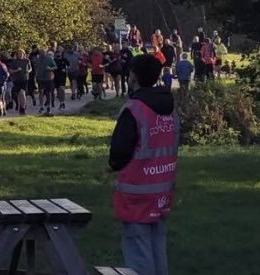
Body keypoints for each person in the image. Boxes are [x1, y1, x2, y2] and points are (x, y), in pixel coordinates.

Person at [108, 54, 178, 275]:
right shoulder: (170, 108)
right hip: (162, 189)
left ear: (134, 76)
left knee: (138, 252)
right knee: (158, 247)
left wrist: (114, 165)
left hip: (136, 190)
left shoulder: (134, 109)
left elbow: (118, 153)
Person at [9, 49, 32, 115]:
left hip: (24, 79)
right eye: (19, 53)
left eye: (21, 53)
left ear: (24, 54)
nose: (20, 55)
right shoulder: (14, 61)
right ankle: (21, 106)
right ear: (17, 54)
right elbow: (10, 71)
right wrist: (16, 70)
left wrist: (28, 71)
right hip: (16, 79)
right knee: (19, 94)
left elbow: (30, 68)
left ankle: (23, 108)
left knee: (22, 93)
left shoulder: (27, 60)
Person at [34, 48, 56, 113]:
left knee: (48, 92)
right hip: (40, 78)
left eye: (43, 52)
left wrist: (50, 68)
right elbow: (35, 67)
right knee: (41, 92)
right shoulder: (37, 59)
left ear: (45, 52)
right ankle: (41, 106)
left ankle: (48, 106)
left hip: (48, 78)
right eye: (41, 52)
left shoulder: (49, 59)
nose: (42, 54)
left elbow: (55, 67)